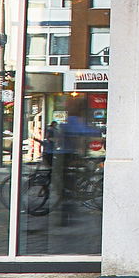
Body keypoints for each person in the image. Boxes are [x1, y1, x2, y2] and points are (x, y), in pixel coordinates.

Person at [51, 96, 102, 224]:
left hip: (65, 155)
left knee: (69, 184)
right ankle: (67, 213)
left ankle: (68, 211)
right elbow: (83, 131)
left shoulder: (72, 120)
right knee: (69, 185)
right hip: (67, 156)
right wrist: (99, 131)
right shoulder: (74, 120)